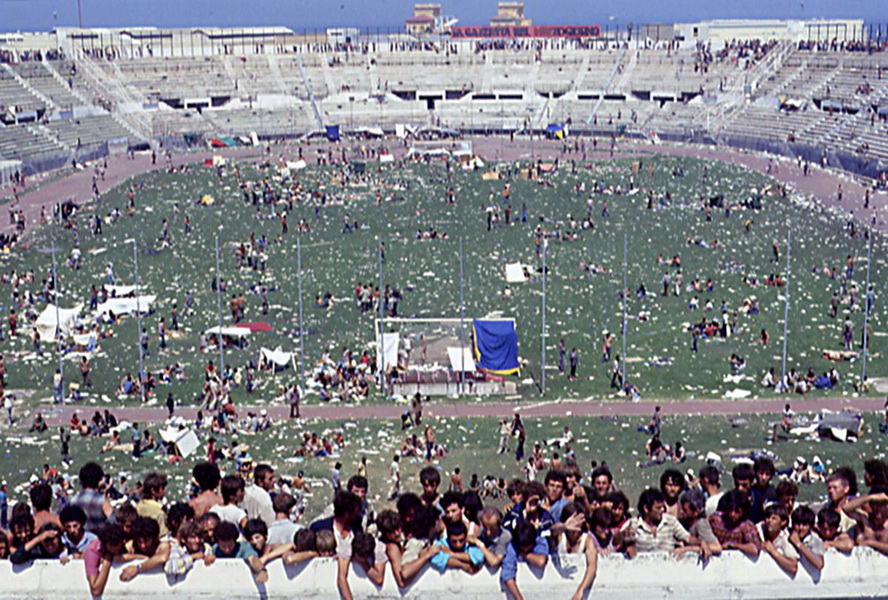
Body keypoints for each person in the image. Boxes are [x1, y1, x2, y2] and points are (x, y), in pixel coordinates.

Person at [500, 520, 549, 600]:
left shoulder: (540, 541)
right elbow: (507, 575)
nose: (525, 549)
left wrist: (524, 555)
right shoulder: (512, 546)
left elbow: (541, 561)